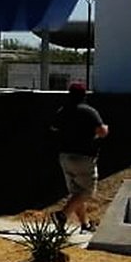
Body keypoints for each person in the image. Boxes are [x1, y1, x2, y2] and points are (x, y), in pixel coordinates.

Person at [50, 82, 109, 233]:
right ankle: (62, 215)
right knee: (87, 192)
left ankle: (85, 224)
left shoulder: (62, 111)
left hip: (64, 156)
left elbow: (53, 128)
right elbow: (102, 132)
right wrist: (105, 129)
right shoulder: (89, 111)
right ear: (84, 95)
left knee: (76, 194)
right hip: (83, 157)